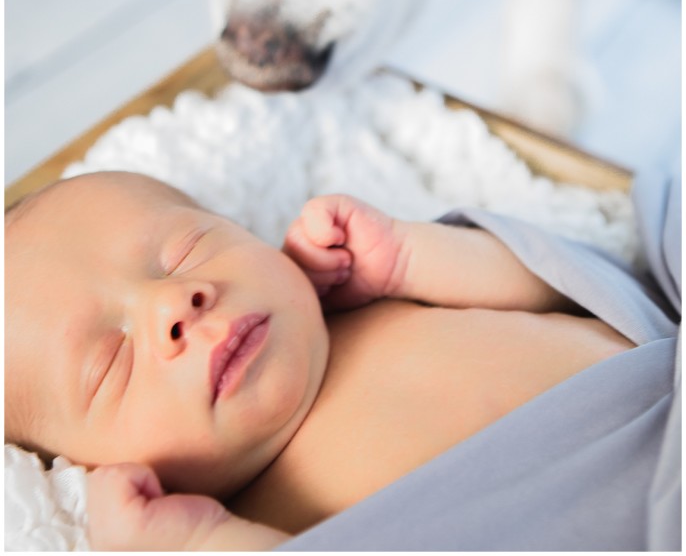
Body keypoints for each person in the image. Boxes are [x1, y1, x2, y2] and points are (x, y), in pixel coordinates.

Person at [4, 170, 676, 551]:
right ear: (85, 469)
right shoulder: (243, 516)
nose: (174, 303)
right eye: (110, 362)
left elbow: (560, 288)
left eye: (185, 250)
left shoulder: (367, 303)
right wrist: (197, 544)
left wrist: (412, 255)